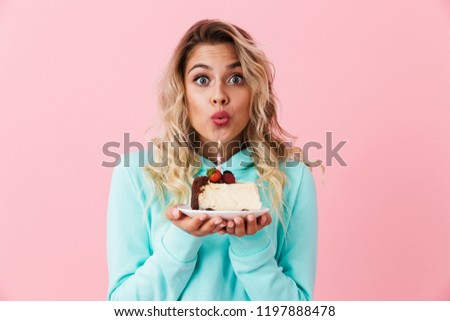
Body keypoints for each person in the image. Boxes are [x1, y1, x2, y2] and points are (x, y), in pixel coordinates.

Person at [107, 19, 318, 301]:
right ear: (182, 93)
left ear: (254, 91)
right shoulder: (135, 174)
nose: (219, 96)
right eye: (202, 80)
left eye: (236, 78)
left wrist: (251, 246)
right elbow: (121, 307)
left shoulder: (292, 176)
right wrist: (183, 239)